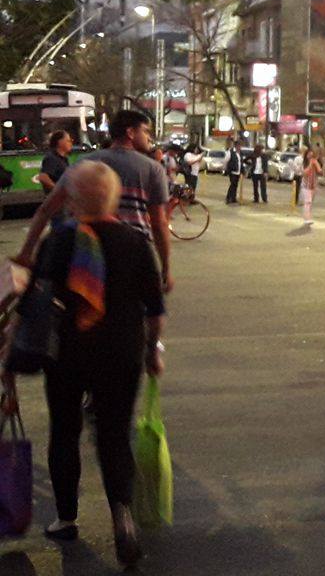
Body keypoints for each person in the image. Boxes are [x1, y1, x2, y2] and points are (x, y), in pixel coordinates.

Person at [4, 161, 165, 568]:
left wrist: (9, 350)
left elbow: (33, 300)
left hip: (67, 353)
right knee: (113, 434)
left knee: (64, 430)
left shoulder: (59, 240)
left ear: (72, 200)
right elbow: (154, 308)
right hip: (122, 351)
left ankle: (66, 517)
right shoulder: (134, 242)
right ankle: (122, 516)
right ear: (113, 198)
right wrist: (152, 351)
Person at [17, 109, 172, 293]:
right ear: (130, 133)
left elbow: (46, 210)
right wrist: (165, 268)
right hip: (131, 253)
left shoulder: (84, 163)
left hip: (84, 254)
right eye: (145, 131)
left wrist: (26, 253)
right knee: (129, 312)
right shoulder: (153, 169)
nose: (148, 137)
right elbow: (158, 223)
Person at [36, 130, 73, 198]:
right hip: (56, 200)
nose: (71, 143)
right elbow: (43, 177)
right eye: (68, 141)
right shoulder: (51, 158)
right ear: (60, 142)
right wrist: (58, 190)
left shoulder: (64, 159)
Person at [298, 148, 322, 225]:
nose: (310, 156)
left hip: (313, 185)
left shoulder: (315, 162)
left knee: (310, 202)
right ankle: (306, 219)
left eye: (312, 155)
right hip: (306, 185)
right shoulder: (304, 163)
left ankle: (308, 217)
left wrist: (316, 163)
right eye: (309, 155)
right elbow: (304, 173)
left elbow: (320, 171)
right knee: (307, 202)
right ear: (306, 155)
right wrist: (311, 164)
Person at [225, 140, 243, 205]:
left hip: (238, 172)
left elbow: (241, 162)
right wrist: (227, 168)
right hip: (232, 172)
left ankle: (233, 198)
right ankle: (228, 198)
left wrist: (242, 171)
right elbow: (226, 160)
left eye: (240, 146)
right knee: (232, 185)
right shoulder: (231, 152)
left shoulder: (240, 153)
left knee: (235, 185)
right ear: (236, 146)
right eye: (239, 145)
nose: (240, 147)